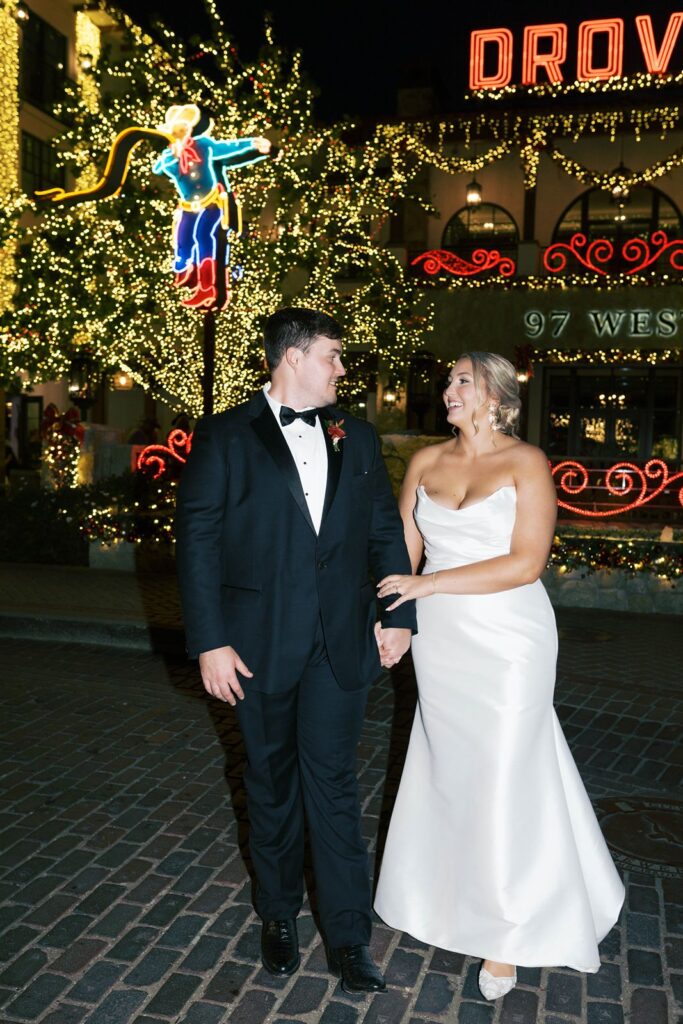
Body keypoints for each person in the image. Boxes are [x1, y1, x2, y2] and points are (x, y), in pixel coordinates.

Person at [175, 307, 416, 993]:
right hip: (253, 648)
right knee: (272, 786)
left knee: (335, 787)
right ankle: (277, 915)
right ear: (293, 358)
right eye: (333, 356)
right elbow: (196, 542)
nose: (343, 369)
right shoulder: (224, 435)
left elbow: (382, 533)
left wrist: (399, 615)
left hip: (341, 646)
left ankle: (349, 936)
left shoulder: (358, 438)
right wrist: (210, 642)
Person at [373, 352, 624, 1000]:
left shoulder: (526, 463)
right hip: (442, 642)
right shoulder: (426, 462)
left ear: (494, 395)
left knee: (506, 769)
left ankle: (506, 932)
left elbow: (524, 563)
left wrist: (425, 585)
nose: (448, 389)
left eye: (462, 380)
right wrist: (393, 617)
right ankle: (445, 893)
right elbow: (402, 549)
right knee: (452, 767)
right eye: (449, 380)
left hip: (511, 638)